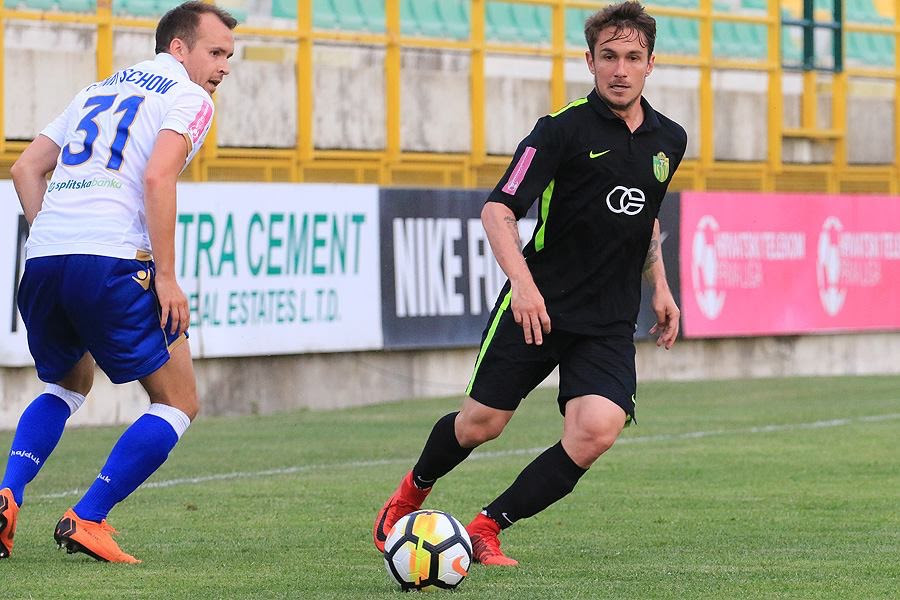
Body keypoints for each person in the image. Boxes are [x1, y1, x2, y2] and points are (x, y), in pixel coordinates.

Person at [373, 1, 686, 566]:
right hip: (538, 304)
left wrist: (659, 286)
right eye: (608, 57)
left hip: (610, 316)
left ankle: (487, 527)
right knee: (481, 425)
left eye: (632, 58)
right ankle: (407, 498)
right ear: (589, 61)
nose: (620, 69)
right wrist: (522, 284)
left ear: (651, 64)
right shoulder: (559, 131)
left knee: (596, 430)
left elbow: (647, 219)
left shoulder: (670, 139)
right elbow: (498, 209)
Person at [0, 1, 235, 563]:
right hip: (111, 262)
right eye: (215, 52)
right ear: (178, 48)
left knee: (65, 385)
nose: (224, 67)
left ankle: (7, 494)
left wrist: (57, 235)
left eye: (229, 56)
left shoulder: (96, 89)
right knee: (178, 402)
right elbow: (158, 176)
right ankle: (88, 518)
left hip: (45, 256)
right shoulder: (189, 97)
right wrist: (168, 279)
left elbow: (25, 168)